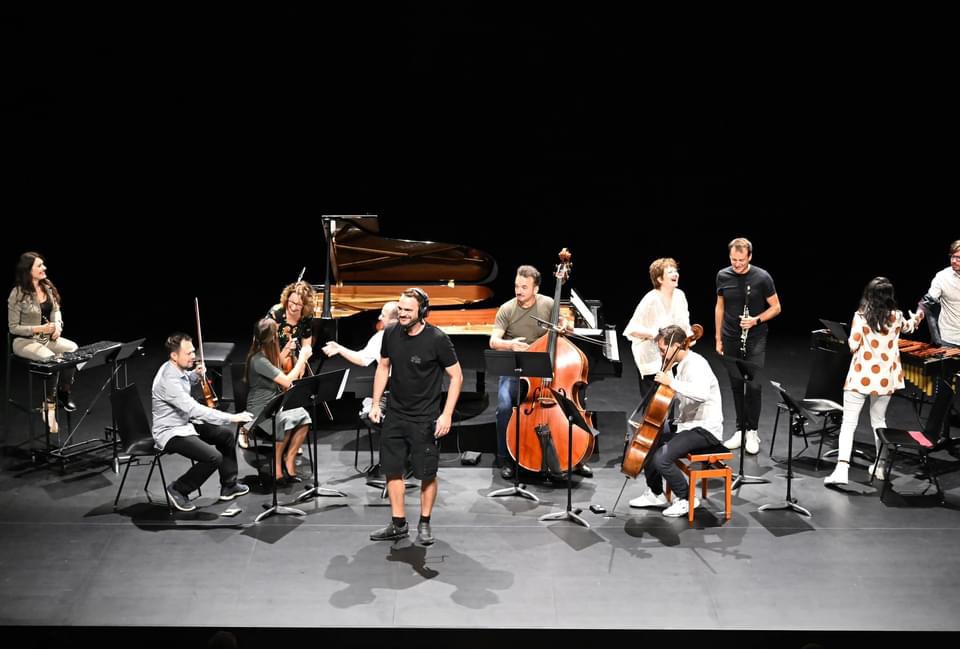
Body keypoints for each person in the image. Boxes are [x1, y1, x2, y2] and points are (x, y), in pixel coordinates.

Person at [368, 288, 463, 545]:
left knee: (426, 473)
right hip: (395, 414)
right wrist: (376, 403)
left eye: (408, 310)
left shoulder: (437, 339)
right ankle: (398, 523)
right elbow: (383, 367)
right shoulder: (390, 333)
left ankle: (425, 522)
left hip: (425, 418)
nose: (402, 314)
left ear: (422, 312)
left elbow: (456, 376)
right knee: (392, 469)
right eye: (400, 309)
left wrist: (447, 415)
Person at [488, 265, 590, 480]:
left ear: (535, 289)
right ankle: (505, 458)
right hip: (518, 366)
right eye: (517, 286)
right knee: (504, 405)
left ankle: (576, 458)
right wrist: (510, 345)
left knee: (574, 403)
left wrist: (564, 326)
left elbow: (565, 324)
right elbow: (494, 341)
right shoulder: (507, 309)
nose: (519, 291)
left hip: (546, 366)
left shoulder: (548, 304)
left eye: (524, 287)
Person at [824, 278, 923, 485]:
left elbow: (853, 345)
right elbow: (909, 327)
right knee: (879, 421)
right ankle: (880, 466)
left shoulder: (861, 317)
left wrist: (845, 338)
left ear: (869, 295)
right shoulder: (897, 316)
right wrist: (917, 318)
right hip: (885, 379)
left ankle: (842, 470)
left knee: (849, 423)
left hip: (861, 376)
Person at [628, 325, 726, 517]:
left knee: (661, 458)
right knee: (649, 441)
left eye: (663, 349)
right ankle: (656, 493)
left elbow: (701, 394)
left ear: (676, 346)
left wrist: (671, 382)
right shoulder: (680, 365)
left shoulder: (697, 364)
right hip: (687, 424)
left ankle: (687, 499)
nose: (661, 354)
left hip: (705, 429)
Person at [152, 333, 254, 512]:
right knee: (214, 457)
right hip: (170, 432)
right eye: (188, 353)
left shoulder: (176, 369)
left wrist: (194, 375)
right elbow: (195, 409)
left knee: (226, 436)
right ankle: (179, 489)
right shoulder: (168, 380)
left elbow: (185, 380)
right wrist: (232, 417)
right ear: (174, 355)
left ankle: (229, 485)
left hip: (185, 422)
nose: (194, 356)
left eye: (193, 351)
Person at [715, 237, 781, 455]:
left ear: (750, 257)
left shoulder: (762, 278)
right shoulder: (723, 276)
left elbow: (776, 307)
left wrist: (755, 320)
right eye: (733, 259)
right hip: (730, 336)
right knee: (735, 384)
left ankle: (752, 431)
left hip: (755, 337)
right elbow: (720, 307)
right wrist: (718, 337)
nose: (737, 264)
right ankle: (740, 430)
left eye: (741, 260)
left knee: (753, 385)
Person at [7, 252, 79, 434]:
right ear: (28, 270)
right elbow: (13, 328)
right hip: (24, 342)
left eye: (43, 265)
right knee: (51, 358)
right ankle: (49, 405)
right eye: (39, 265)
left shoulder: (47, 287)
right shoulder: (17, 294)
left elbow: (56, 311)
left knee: (73, 349)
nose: (44, 268)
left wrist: (57, 327)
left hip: (46, 339)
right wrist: (40, 329)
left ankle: (64, 391)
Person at [243, 319, 314, 481]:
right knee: (285, 420)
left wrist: (286, 350)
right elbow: (287, 382)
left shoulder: (263, 354)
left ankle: (289, 458)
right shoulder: (258, 360)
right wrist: (302, 359)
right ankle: (276, 465)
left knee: (304, 416)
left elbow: (274, 367)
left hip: (275, 403)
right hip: (261, 411)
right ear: (273, 338)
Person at [623, 257, 693, 400]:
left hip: (670, 356)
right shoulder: (651, 299)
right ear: (660, 279)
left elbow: (685, 323)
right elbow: (632, 329)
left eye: (675, 271)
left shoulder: (680, 296)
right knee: (653, 401)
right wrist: (655, 334)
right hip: (650, 355)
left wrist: (690, 338)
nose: (675, 274)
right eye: (670, 272)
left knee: (668, 399)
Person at [321, 301, 399, 367]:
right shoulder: (379, 337)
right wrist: (339, 348)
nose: (379, 317)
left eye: (383, 315)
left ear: (394, 321)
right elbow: (362, 359)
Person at [267, 281, 315, 372]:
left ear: (305, 305)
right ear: (287, 298)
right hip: (272, 355)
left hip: (292, 357)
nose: (293, 307)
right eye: (292, 302)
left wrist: (303, 363)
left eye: (298, 304)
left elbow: (306, 344)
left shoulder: (306, 316)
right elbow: (266, 345)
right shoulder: (276, 313)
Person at [921, 240, 960, 348]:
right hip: (949, 339)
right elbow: (926, 302)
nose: (953, 261)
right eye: (952, 256)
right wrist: (918, 316)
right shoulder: (942, 277)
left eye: (958, 258)